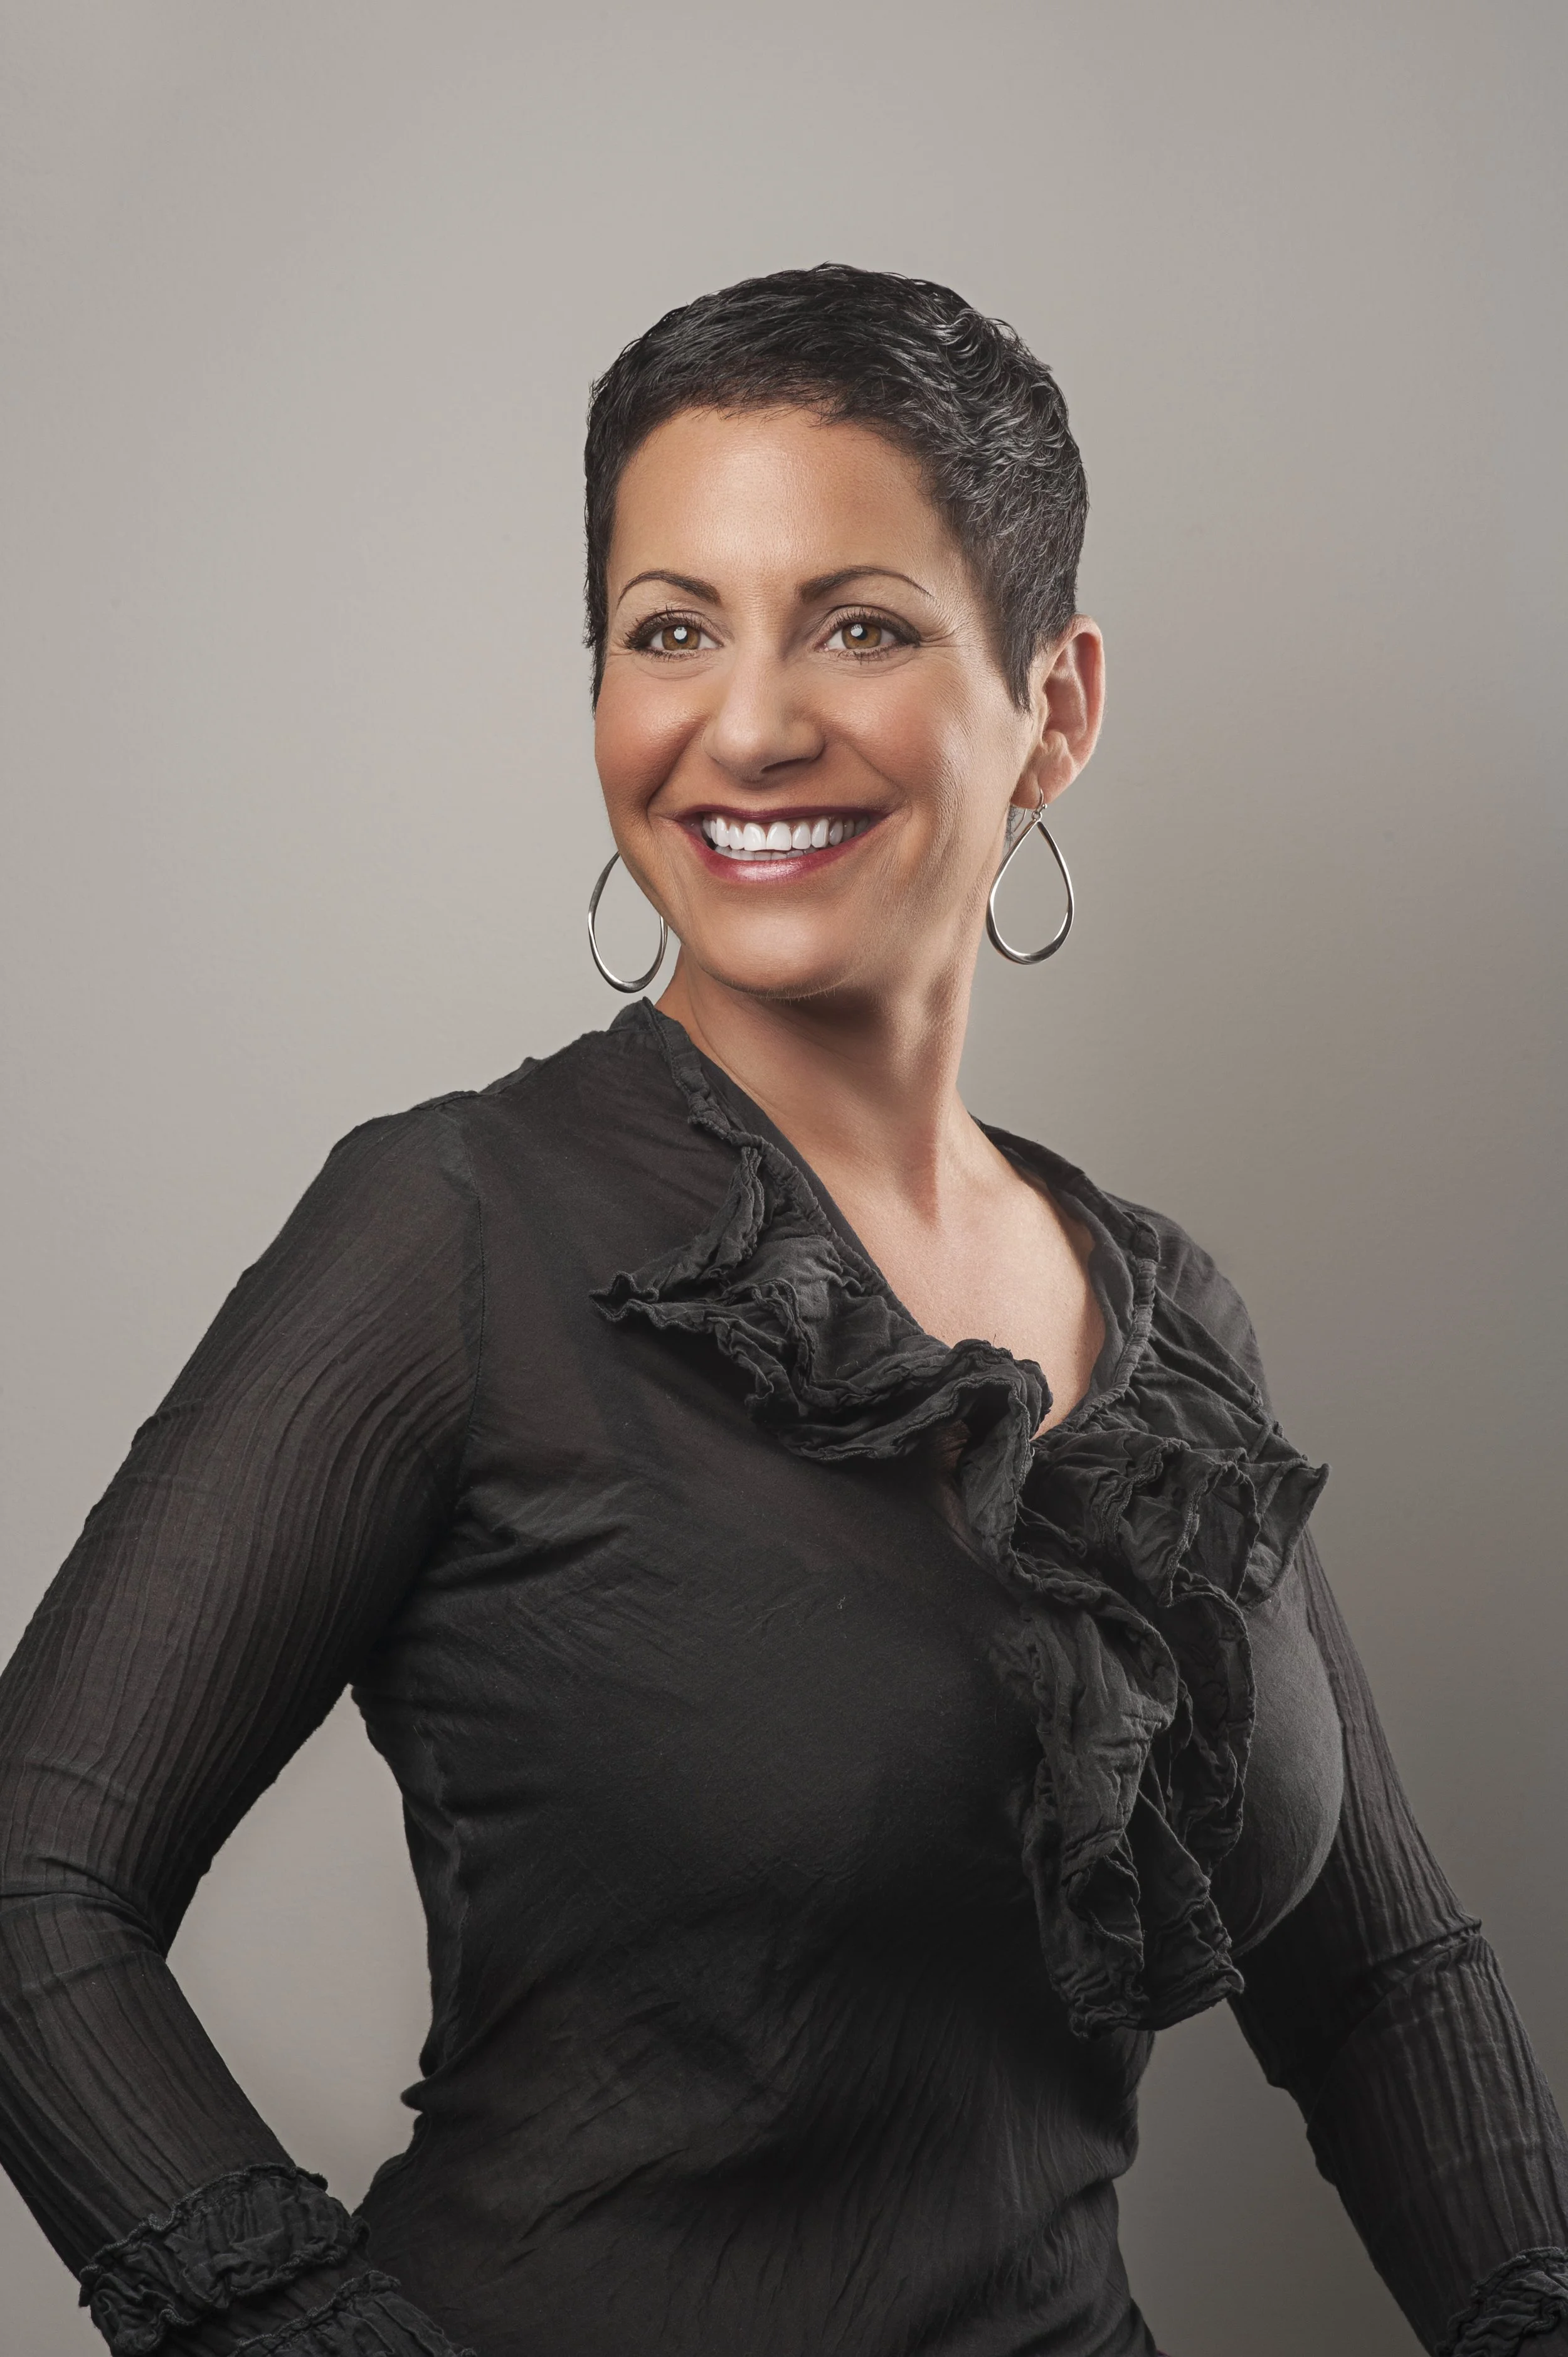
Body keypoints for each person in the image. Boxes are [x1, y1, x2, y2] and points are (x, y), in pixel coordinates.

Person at [1, 263, 1564, 2357]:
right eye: (669, 630)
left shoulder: (1161, 1307)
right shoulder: (452, 1228)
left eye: (860, 624)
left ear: (1055, 706)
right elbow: (36, 1891)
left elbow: (1381, 1981)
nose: (744, 722)